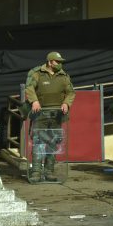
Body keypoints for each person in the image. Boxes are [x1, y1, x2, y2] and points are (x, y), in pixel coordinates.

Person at [25, 51, 75, 182]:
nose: (60, 64)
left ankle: (49, 172)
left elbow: (71, 93)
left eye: (60, 62)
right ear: (50, 62)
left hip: (56, 115)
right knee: (38, 142)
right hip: (40, 114)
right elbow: (29, 88)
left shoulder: (63, 76)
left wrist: (66, 103)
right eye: (57, 62)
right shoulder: (37, 74)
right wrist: (34, 101)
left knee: (52, 142)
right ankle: (36, 172)